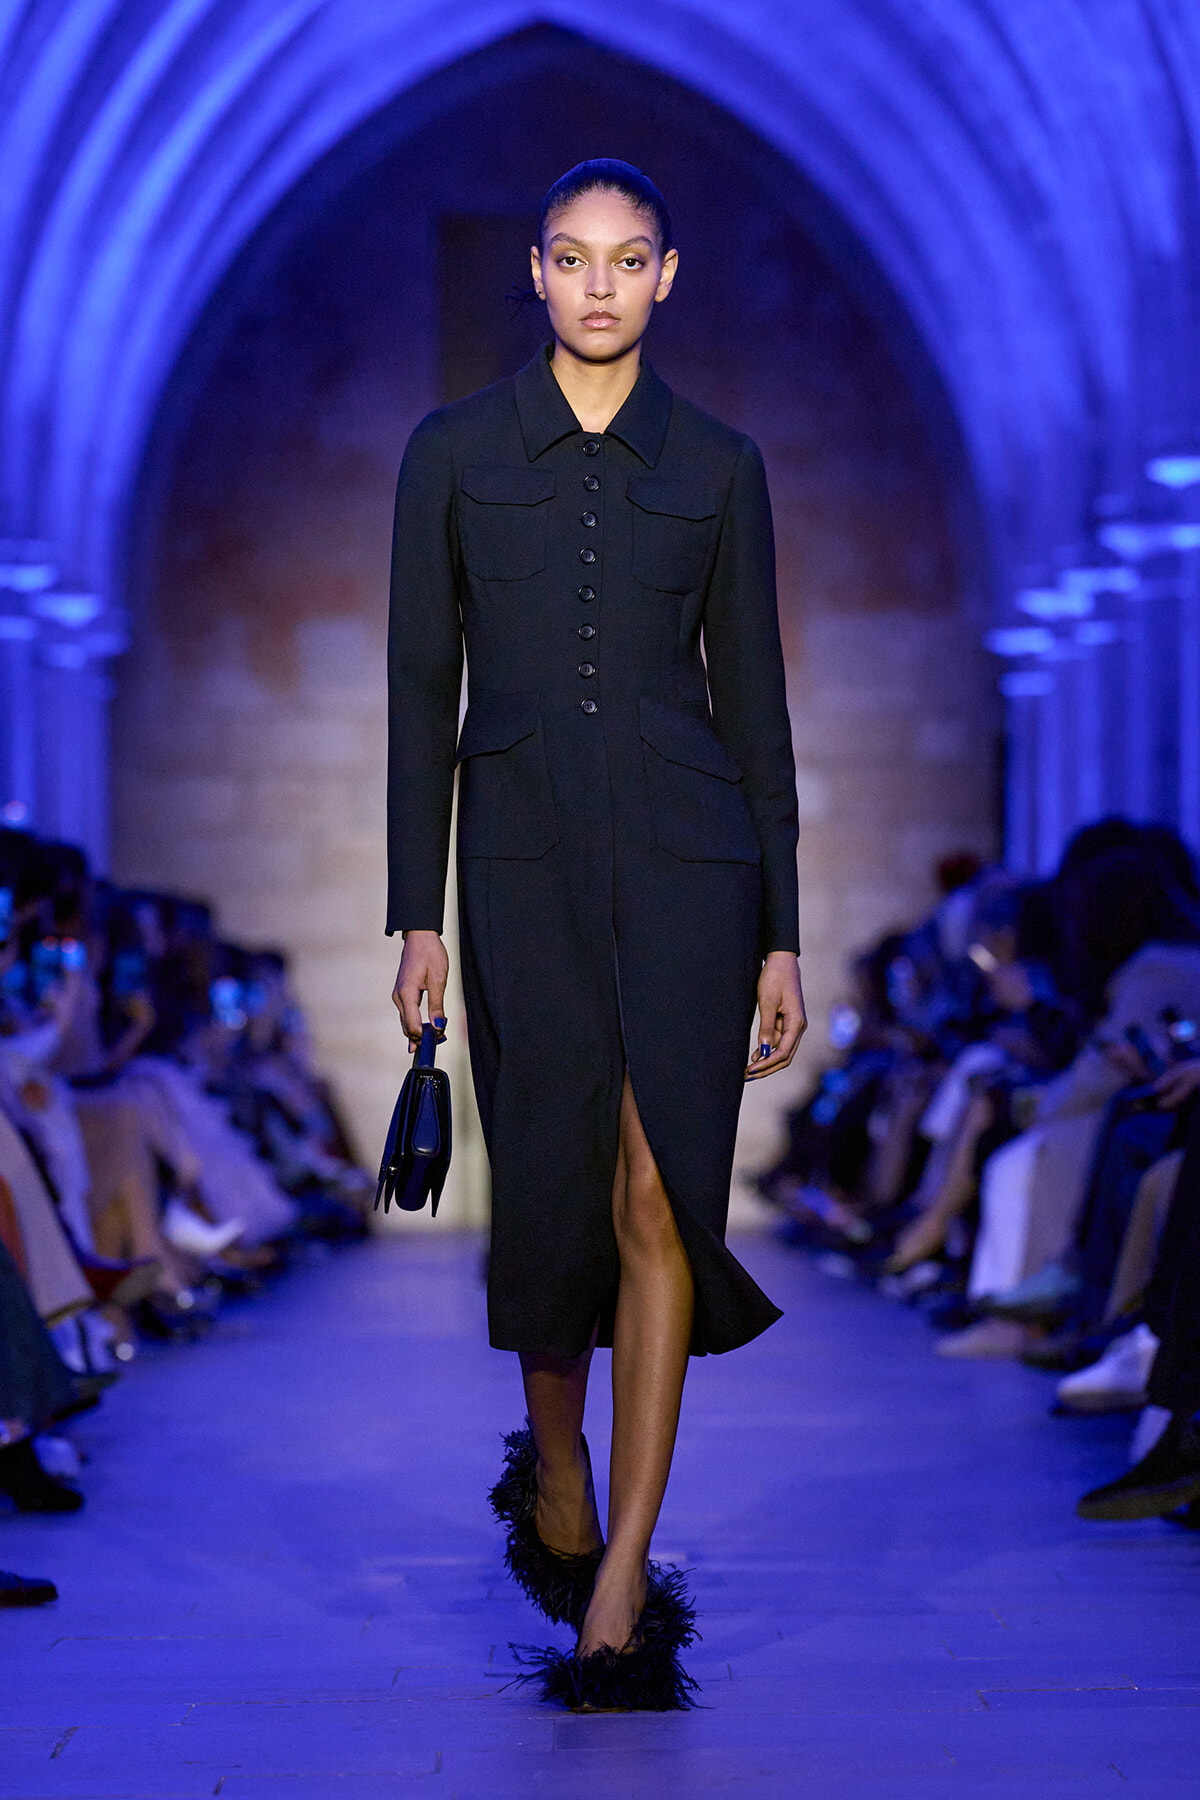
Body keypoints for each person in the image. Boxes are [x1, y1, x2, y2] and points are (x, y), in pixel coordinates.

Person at [386, 159, 804, 1710]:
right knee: (553, 1188)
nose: (604, 285)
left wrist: (784, 933)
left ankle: (621, 1580)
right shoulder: (449, 454)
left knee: (655, 1189)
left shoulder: (723, 463)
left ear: (670, 277)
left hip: (696, 864)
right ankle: (552, 1460)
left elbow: (756, 710)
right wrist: (408, 914)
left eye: (631, 260)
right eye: (575, 259)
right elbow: (421, 691)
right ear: (542, 277)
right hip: (520, 862)